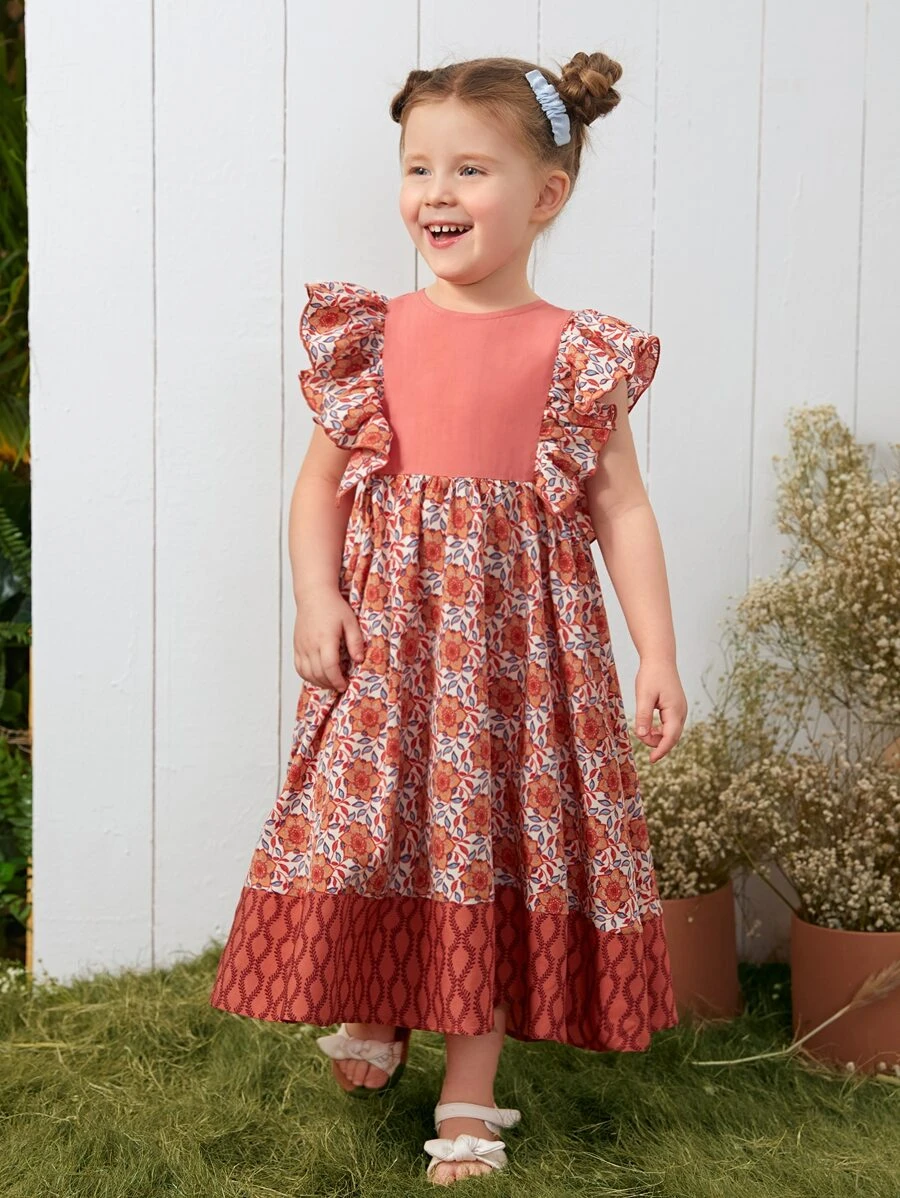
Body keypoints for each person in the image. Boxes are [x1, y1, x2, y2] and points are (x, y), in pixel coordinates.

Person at [210, 51, 688, 1187]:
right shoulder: (374, 335)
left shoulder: (574, 353)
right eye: (418, 167)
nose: (437, 191)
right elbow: (319, 488)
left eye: (471, 169)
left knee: (489, 849)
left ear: (546, 195)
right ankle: (377, 1003)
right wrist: (317, 595)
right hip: (391, 647)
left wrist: (657, 652)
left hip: (521, 664)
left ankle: (470, 1092)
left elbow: (621, 506)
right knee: (375, 825)